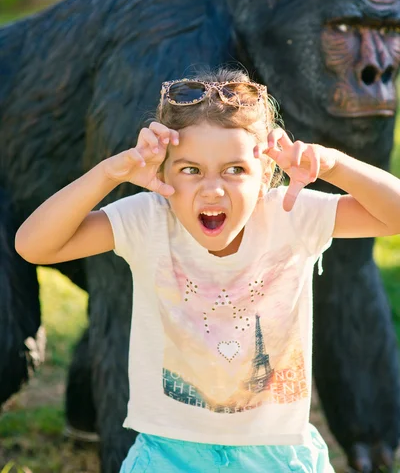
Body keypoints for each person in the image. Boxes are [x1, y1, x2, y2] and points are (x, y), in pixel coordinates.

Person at [15, 68, 400, 472]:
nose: (212, 188)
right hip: (169, 453)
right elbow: (33, 244)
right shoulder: (149, 220)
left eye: (235, 169)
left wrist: (334, 165)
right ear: (162, 173)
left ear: (267, 173)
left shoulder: (292, 214)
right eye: (191, 169)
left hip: (274, 453)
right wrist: (109, 172)